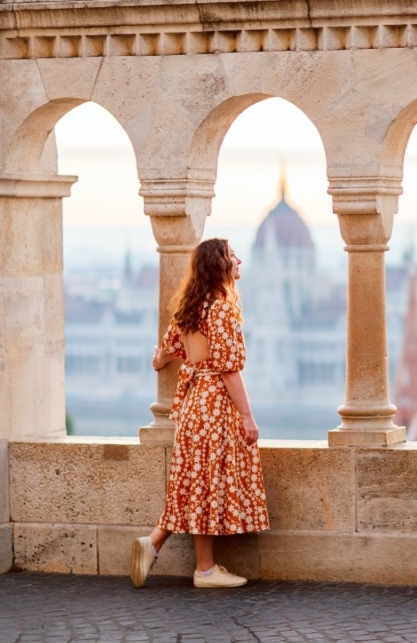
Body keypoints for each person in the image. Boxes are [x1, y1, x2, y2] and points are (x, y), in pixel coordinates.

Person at [130, 238, 270, 589]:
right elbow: (229, 370)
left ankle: (155, 544)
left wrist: (164, 359)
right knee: (206, 483)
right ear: (218, 267)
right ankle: (205, 570)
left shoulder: (190, 309)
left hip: (193, 405)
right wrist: (248, 417)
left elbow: (162, 356)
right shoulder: (222, 309)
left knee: (194, 483)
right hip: (215, 405)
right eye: (231, 256)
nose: (239, 260)